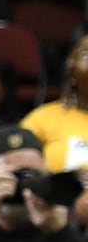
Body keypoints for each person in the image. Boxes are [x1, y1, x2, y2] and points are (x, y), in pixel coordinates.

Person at [21, 34, 88, 226]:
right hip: (51, 217)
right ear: (70, 67)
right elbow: (11, 165)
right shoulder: (43, 118)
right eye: (86, 54)